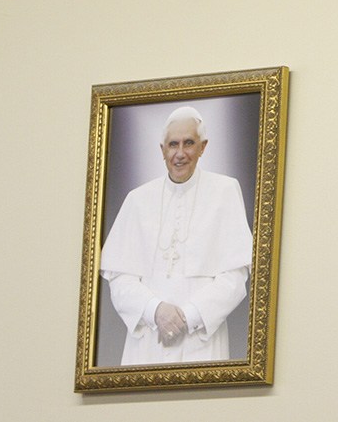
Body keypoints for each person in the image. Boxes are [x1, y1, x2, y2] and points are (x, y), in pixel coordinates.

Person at [99, 106, 253, 366]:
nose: (180, 154)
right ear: (162, 150)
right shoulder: (137, 200)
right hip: (147, 338)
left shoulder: (225, 191)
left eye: (189, 143)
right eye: (173, 145)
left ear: (203, 147)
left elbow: (235, 278)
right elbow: (119, 278)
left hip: (201, 338)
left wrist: (188, 317)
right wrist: (155, 311)